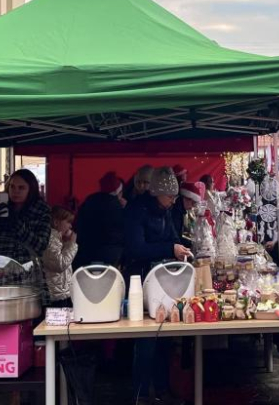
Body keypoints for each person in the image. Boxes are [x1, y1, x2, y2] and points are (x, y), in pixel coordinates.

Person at [124, 166, 191, 405]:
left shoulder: (165, 211)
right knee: (146, 339)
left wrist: (181, 248)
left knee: (165, 337)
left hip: (163, 280)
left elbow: (173, 237)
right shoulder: (136, 211)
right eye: (170, 196)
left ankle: (162, 390)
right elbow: (135, 248)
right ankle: (141, 394)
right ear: (157, 193)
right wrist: (170, 249)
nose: (173, 200)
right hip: (140, 280)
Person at [0, 168, 51, 263]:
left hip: (26, 267)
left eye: (21, 188)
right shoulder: (0, 209)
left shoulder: (41, 212)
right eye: (12, 187)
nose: (16, 191)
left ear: (31, 190)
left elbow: (41, 246)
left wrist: (16, 224)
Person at [73, 171, 126, 270]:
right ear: (118, 192)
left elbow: (77, 225)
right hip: (110, 256)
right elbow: (122, 233)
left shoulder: (89, 200)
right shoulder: (117, 207)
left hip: (85, 254)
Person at [43, 206, 78, 308]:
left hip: (60, 293)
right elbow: (60, 264)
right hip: (55, 296)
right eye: (68, 222)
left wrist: (66, 243)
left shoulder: (57, 239)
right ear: (56, 222)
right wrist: (71, 244)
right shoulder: (50, 240)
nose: (70, 226)